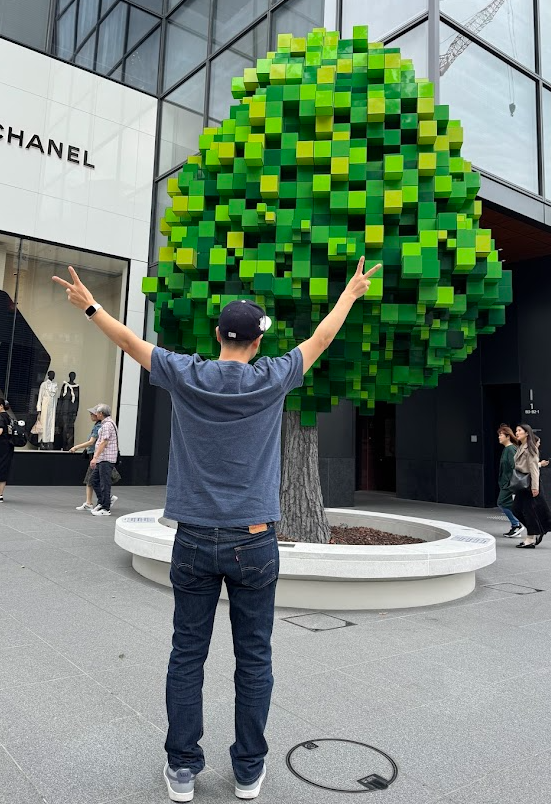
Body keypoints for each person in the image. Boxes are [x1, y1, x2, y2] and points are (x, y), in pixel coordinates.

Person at [53, 256, 381, 802]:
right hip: (254, 539)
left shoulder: (188, 373)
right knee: (254, 659)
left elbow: (130, 342)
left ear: (218, 337)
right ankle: (248, 771)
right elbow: (321, 339)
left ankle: (183, 769)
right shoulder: (273, 377)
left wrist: (89, 306)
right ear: (257, 342)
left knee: (187, 654)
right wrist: (350, 293)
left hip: (193, 538)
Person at [513, 423, 551, 548]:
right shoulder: (521, 447)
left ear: (526, 433)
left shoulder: (530, 448)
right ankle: (536, 530)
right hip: (522, 483)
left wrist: (535, 487)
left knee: (528, 511)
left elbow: (534, 469)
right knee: (516, 509)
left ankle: (530, 538)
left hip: (529, 483)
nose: (516, 433)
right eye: (516, 431)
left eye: (519, 430)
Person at [69, 409, 118, 512]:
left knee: (96, 481)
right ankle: (99, 502)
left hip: (101, 457)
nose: (91, 415)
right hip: (100, 457)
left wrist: (77, 447)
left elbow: (97, 442)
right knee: (93, 480)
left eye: (92, 414)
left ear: (99, 414)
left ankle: (102, 504)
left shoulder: (102, 426)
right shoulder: (102, 425)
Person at [87, 403, 118, 516]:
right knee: (94, 480)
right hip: (103, 458)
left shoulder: (107, 425)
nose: (95, 414)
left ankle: (105, 508)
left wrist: (95, 458)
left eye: (97, 412)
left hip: (106, 458)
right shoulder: (107, 423)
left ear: (101, 413)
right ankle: (102, 502)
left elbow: (103, 442)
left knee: (104, 483)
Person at [496, 424, 522, 538]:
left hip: (509, 483)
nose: (499, 437)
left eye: (501, 435)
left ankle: (516, 525)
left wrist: (510, 484)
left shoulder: (510, 449)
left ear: (508, 436)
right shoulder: (507, 449)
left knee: (502, 502)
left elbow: (514, 467)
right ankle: (516, 525)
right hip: (506, 483)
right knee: (507, 503)